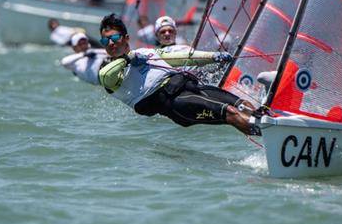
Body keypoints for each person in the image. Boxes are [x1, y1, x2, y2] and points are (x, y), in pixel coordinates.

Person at [97, 13, 260, 135]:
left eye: (115, 38)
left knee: (241, 103)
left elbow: (180, 58)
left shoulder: (145, 53)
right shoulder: (110, 71)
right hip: (174, 104)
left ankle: (269, 120)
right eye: (105, 41)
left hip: (189, 88)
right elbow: (105, 75)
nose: (110, 43)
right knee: (230, 112)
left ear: (126, 38)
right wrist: (127, 59)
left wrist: (213, 57)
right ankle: (267, 139)